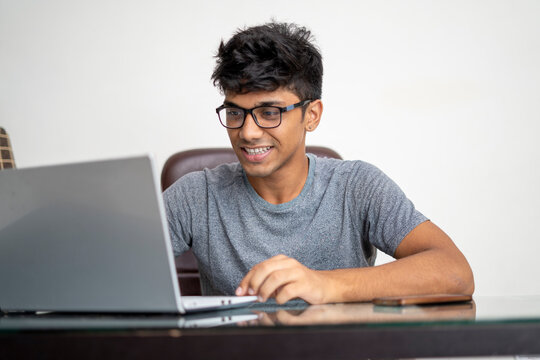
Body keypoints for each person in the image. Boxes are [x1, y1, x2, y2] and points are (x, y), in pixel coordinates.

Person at [163, 21, 474, 305]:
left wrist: (326, 285)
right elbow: (118, 270)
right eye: (234, 112)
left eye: (270, 113)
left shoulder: (357, 186)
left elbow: (455, 272)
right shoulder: (195, 195)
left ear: (311, 115)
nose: (247, 132)